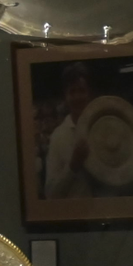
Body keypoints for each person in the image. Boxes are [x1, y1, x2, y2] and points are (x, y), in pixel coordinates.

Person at [42, 66, 96, 200]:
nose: (77, 97)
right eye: (72, 92)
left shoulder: (104, 127)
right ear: (65, 97)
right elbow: (50, 194)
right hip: (75, 218)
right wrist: (72, 167)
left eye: (82, 90)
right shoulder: (58, 137)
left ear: (90, 94)